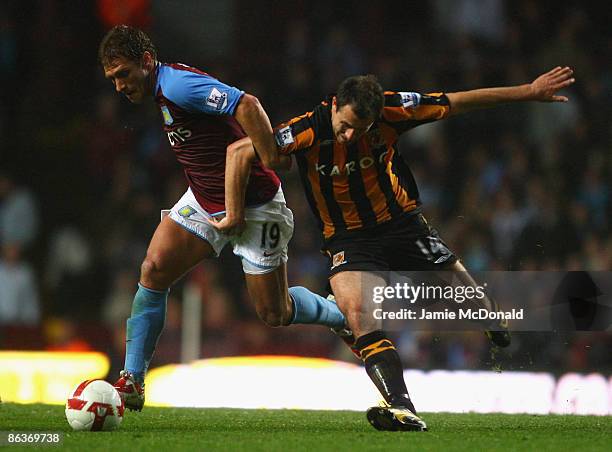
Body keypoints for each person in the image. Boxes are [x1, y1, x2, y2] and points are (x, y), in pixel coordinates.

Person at [224, 67, 575, 431]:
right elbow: (241, 151)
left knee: (470, 300)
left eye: (359, 130)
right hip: (348, 238)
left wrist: (527, 91)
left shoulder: (394, 110)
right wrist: (236, 208)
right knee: (360, 316)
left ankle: (489, 317)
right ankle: (401, 406)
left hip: (402, 225)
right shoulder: (306, 129)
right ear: (335, 106)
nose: (348, 136)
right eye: (344, 126)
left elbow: (457, 102)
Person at [97, 25, 347, 411]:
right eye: (112, 79)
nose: (119, 86)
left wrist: (268, 156)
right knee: (154, 268)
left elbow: (247, 104)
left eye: (124, 75)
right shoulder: (163, 92)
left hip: (257, 208)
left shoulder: (178, 85)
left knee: (274, 312)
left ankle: (336, 313)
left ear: (146, 62)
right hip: (203, 200)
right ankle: (131, 380)